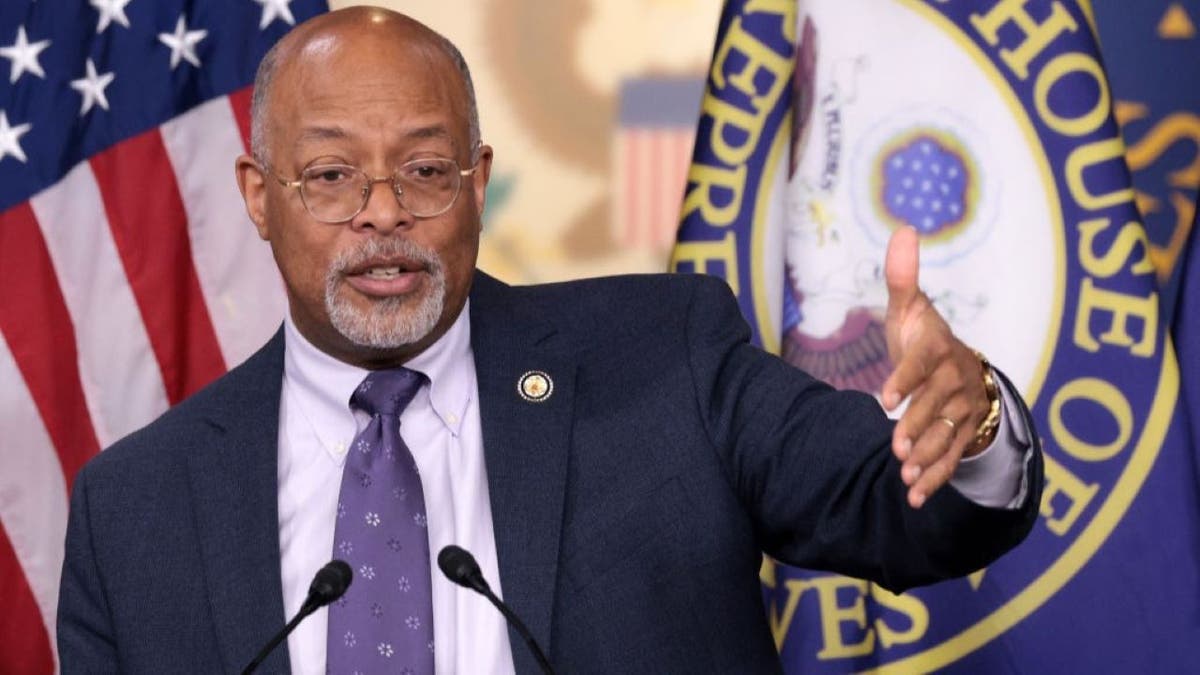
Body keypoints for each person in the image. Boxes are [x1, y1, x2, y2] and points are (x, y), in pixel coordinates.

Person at [57, 7, 1041, 674]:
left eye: (426, 168)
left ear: (478, 181)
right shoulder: (132, 509)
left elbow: (888, 501)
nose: (383, 213)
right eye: (330, 176)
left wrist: (969, 428)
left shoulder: (665, 355)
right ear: (255, 197)